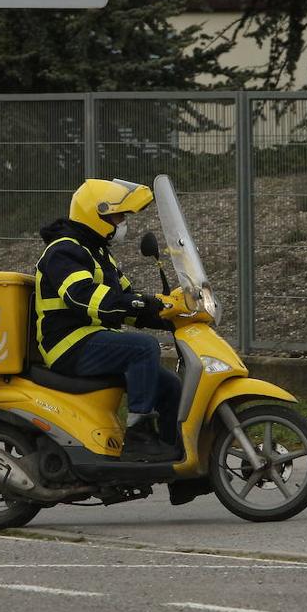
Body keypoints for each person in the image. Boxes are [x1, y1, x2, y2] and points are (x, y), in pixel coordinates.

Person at [34, 178, 181, 463]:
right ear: (96, 214)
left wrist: (167, 313)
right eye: (118, 215)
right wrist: (142, 303)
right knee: (143, 348)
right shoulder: (64, 251)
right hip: (69, 345)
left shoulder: (99, 254)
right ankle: (139, 436)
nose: (123, 222)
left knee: (171, 386)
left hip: (93, 341)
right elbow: (83, 296)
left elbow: (126, 301)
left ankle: (170, 456)